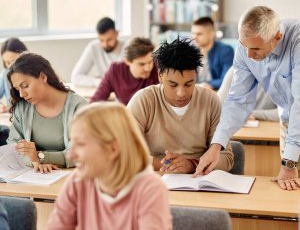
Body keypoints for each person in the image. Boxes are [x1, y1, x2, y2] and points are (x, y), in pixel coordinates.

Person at [195, 6, 300, 190]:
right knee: (288, 190)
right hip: (288, 125)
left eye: (256, 48)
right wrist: (216, 146)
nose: (249, 55)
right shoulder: (246, 46)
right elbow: (237, 100)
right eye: (245, 46)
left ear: (277, 38)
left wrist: (288, 163)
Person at [47, 102, 172, 230]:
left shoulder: (149, 189)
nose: (70, 155)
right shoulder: (77, 181)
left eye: (80, 144)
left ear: (112, 149)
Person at [128, 38, 233, 174]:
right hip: (155, 182)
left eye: (189, 84)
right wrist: (168, 165)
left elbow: (227, 158)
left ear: (196, 75)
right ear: (160, 75)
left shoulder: (210, 100)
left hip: (198, 184)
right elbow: (124, 152)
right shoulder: (143, 100)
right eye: (173, 85)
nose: (181, 93)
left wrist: (192, 164)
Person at [7, 53, 87, 173]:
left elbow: (79, 153)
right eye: (18, 89)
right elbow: (13, 149)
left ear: (43, 77)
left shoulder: (79, 107)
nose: (22, 95)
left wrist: (39, 157)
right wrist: (35, 162)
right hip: (34, 177)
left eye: (25, 86)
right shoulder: (22, 108)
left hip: (73, 177)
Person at [90, 37, 159, 105]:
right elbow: (97, 100)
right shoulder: (115, 70)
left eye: (150, 62)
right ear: (127, 61)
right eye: (141, 64)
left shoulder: (159, 68)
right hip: (126, 114)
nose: (148, 68)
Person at [71, 17, 126, 87]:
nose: (105, 44)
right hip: (104, 90)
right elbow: (75, 77)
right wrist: (99, 82)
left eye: (109, 40)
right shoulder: (93, 47)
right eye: (101, 40)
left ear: (116, 34)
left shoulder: (127, 47)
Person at [191, 17, 234, 90]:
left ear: (211, 34)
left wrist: (206, 85)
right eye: (193, 33)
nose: (194, 37)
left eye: (199, 34)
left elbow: (226, 80)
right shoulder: (190, 51)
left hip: (215, 92)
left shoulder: (226, 51)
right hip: (193, 91)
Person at [0, 38, 28, 111]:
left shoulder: (33, 73)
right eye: (7, 62)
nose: (10, 67)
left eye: (13, 61)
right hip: (12, 115)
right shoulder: (5, 74)